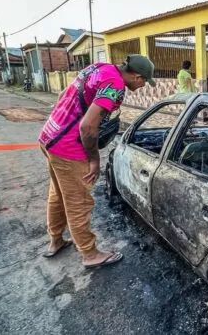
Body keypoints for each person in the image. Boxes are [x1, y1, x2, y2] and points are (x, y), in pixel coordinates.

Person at [38, 54, 156, 268]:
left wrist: (62, 121)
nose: (144, 85)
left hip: (49, 136)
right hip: (68, 148)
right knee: (78, 202)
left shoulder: (99, 68)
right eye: (145, 81)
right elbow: (87, 127)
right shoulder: (115, 85)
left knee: (58, 194)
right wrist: (94, 159)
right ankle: (90, 255)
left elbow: (64, 94)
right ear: (137, 77)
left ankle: (55, 241)